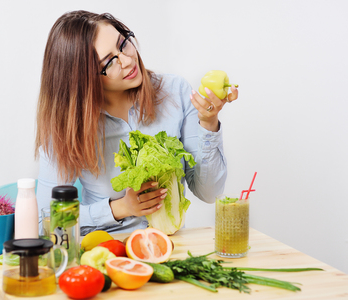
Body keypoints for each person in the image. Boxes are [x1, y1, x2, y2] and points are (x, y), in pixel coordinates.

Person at [35, 10, 238, 235]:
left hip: (172, 249)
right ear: (84, 80)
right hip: (107, 252)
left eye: (123, 44)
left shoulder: (175, 92)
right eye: (109, 61)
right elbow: (46, 219)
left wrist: (209, 123)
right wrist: (119, 208)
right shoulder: (69, 126)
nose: (127, 59)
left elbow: (209, 192)